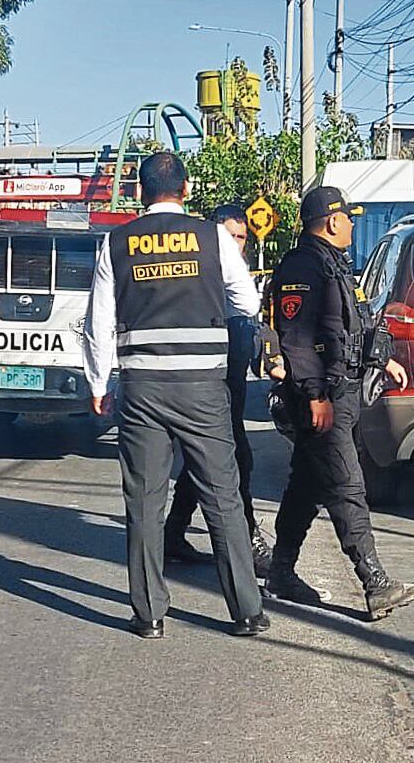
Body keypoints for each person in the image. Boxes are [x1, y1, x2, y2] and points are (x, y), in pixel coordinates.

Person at [83, 152, 267, 640]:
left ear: (141, 191)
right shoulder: (213, 237)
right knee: (222, 495)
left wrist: (100, 384)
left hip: (142, 386)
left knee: (145, 499)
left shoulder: (117, 242)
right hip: (204, 386)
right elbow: (247, 301)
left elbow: (98, 321)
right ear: (185, 190)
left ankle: (149, 615)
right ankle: (246, 610)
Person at [267, 185, 414, 620]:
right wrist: (315, 395)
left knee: (305, 487)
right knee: (347, 485)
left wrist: (384, 360)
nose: (354, 225)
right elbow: (298, 340)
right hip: (321, 396)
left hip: (339, 391)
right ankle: (374, 582)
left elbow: (349, 328)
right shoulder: (303, 267)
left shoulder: (332, 265)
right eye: (349, 218)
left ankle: (281, 572)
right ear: (332, 221)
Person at [164, 204, 275, 577]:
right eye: (228, 237)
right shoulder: (197, 281)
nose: (235, 244)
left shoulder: (241, 279)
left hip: (233, 388)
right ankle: (249, 540)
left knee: (204, 460)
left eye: (241, 238)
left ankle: (173, 533)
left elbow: (255, 323)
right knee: (235, 459)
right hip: (204, 387)